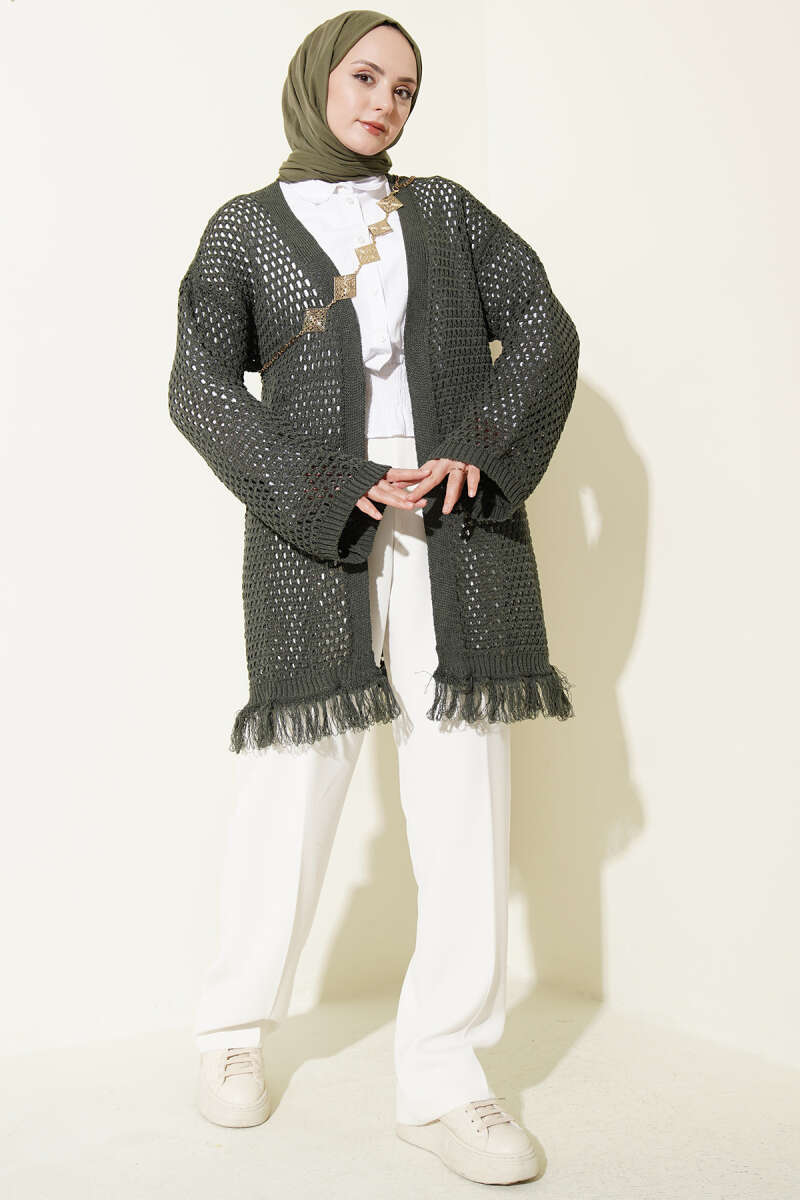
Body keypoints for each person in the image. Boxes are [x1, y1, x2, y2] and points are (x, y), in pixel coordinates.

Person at [167, 8, 579, 1187]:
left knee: (464, 799)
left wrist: (479, 447)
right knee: (289, 791)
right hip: (319, 540)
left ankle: (443, 1078)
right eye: (364, 77)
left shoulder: (442, 211)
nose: (383, 104)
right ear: (317, 80)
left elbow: (542, 329)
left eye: (403, 89)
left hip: (454, 533)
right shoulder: (244, 229)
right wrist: (325, 485)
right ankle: (232, 1029)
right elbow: (200, 388)